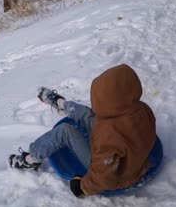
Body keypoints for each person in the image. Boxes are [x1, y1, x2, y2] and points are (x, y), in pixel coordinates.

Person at [9, 64, 156, 197]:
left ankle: (31, 159)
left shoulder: (108, 136)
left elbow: (104, 176)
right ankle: (61, 104)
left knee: (65, 131)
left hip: (120, 174)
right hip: (134, 157)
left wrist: (83, 188)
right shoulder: (141, 109)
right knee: (89, 115)